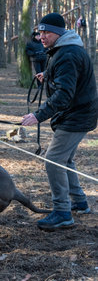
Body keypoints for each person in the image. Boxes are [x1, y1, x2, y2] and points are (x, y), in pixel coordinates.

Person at [21, 13, 97, 231]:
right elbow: (69, 77)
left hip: (77, 115)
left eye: (46, 32)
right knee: (65, 159)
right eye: (40, 32)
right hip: (79, 112)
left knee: (53, 160)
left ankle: (63, 212)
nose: (41, 36)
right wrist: (50, 74)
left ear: (59, 33)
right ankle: (80, 203)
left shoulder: (67, 54)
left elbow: (64, 94)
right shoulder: (64, 49)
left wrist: (38, 115)